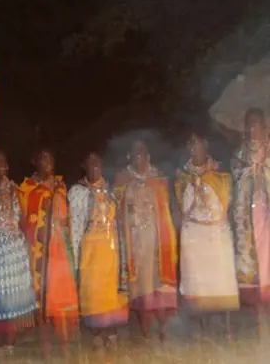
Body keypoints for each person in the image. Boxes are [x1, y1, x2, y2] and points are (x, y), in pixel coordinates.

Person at [174, 131, 238, 341]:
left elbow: (225, 204)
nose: (194, 148)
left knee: (221, 278)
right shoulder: (181, 177)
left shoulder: (221, 174)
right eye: (190, 144)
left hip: (216, 232)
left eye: (198, 143)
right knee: (198, 281)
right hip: (193, 233)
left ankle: (228, 328)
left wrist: (205, 183)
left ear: (206, 145)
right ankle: (203, 329)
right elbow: (182, 209)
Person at [113, 140, 177, 341]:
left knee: (159, 282)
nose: (139, 158)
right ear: (129, 157)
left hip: (157, 237)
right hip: (134, 240)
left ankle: (164, 327)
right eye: (135, 154)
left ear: (148, 156)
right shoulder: (121, 179)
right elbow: (115, 208)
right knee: (140, 285)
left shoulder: (158, 177)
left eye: (143, 153)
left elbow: (166, 206)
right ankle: (145, 330)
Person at [18, 148, 79, 344]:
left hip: (60, 249)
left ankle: (66, 342)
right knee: (41, 293)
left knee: (61, 292)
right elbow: (23, 221)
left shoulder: (60, 186)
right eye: (44, 158)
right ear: (34, 162)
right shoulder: (27, 188)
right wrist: (39, 230)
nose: (49, 162)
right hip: (39, 251)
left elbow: (67, 218)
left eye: (51, 158)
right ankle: (45, 345)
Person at [69, 152, 128, 349]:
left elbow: (118, 223)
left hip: (110, 250)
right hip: (90, 251)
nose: (96, 165)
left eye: (99, 162)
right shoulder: (78, 192)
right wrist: (76, 260)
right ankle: (96, 333)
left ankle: (111, 332)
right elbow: (76, 227)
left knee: (110, 292)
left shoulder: (110, 191)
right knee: (93, 291)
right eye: (91, 162)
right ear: (83, 165)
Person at [0, 147, 37, 357]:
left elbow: (23, 221)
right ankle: (0, 344)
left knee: (16, 295)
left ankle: (10, 344)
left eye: (5, 163)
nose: (3, 167)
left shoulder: (14, 190)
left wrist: (28, 247)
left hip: (16, 249)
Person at [230, 108, 270, 332]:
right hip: (248, 219)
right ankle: (260, 325)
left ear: (265, 127)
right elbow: (237, 183)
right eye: (249, 125)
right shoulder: (238, 156)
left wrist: (264, 167)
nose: (253, 129)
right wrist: (250, 170)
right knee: (254, 271)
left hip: (267, 216)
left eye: (257, 124)